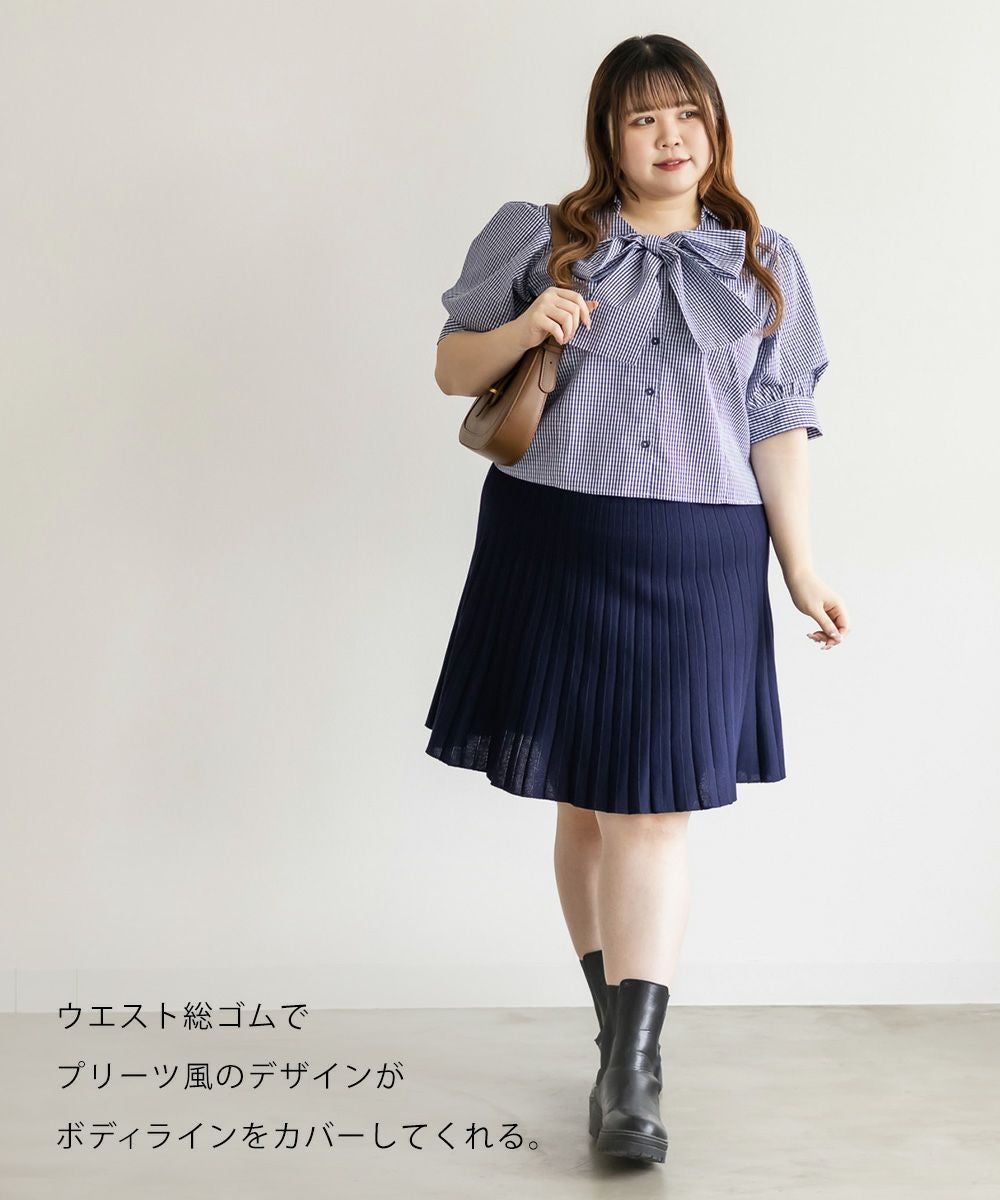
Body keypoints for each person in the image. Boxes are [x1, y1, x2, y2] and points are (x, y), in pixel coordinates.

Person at [424, 33, 852, 1165]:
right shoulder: (542, 237)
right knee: (584, 802)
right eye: (643, 118)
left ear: (714, 129)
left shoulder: (765, 262)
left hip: (701, 555)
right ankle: (619, 1048)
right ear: (607, 136)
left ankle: (630, 1073)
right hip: (553, 537)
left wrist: (802, 569)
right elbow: (452, 368)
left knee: (652, 811)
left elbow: (778, 423)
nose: (670, 137)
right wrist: (527, 326)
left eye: (687, 115)